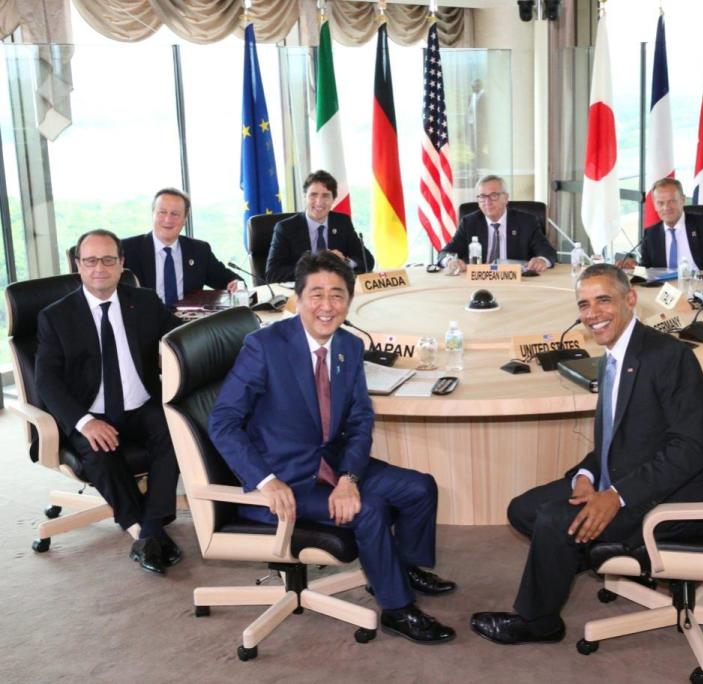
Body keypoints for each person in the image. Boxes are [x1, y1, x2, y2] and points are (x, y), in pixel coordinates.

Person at [208, 250, 456, 644]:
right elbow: (222, 422)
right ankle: (397, 608)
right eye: (317, 294)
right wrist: (266, 481)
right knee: (369, 508)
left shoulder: (349, 346)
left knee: (419, 488)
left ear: (349, 301)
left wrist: (349, 476)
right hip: (287, 480)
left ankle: (397, 569)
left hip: (332, 464)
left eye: (337, 295)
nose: (327, 306)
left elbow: (360, 419)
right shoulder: (264, 347)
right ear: (299, 298)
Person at [470, 263, 703, 645]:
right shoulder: (613, 353)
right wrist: (587, 477)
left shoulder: (668, 357)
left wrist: (615, 497)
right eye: (584, 305)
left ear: (630, 299)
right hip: (622, 475)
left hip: (667, 498)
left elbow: (690, 451)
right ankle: (583, 550)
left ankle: (539, 622)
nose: (592, 314)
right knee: (523, 509)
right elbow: (618, 440)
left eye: (603, 300)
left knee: (553, 521)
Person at [35, 229, 183, 575]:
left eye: (107, 260)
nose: (98, 268)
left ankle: (149, 529)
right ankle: (143, 530)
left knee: (175, 429)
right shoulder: (56, 317)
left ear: (121, 264)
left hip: (141, 405)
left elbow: (180, 338)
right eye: (90, 261)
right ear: (78, 265)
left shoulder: (143, 301)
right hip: (90, 411)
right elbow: (46, 381)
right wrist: (85, 422)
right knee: (100, 453)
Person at [121, 188, 243, 307]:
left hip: (188, 323)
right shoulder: (127, 249)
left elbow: (229, 280)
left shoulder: (199, 250)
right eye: (162, 212)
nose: (168, 219)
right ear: (153, 214)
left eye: (175, 214)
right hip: (145, 322)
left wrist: (237, 284)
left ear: (185, 219)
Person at [265, 170, 374, 283]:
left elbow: (368, 261)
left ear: (333, 200)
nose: (319, 202)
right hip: (301, 294)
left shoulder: (342, 222)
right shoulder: (286, 228)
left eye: (325, 196)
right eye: (313, 195)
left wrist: (343, 263)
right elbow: (272, 274)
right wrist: (316, 266)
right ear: (305, 197)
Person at [440, 175, 557, 274]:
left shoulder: (526, 222)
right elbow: (445, 253)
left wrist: (541, 260)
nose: (487, 202)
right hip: (479, 282)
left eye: (493, 196)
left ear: (505, 198)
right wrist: (450, 261)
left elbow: (548, 252)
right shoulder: (469, 223)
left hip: (517, 282)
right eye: (482, 197)